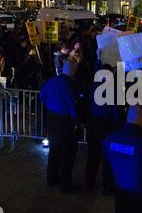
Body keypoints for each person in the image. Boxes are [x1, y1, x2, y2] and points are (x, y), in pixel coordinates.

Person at [40, 61, 82, 193]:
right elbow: (72, 107)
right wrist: (76, 122)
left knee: (54, 151)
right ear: (73, 71)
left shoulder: (51, 81)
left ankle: (51, 178)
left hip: (52, 119)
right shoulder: (69, 86)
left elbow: (42, 98)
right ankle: (65, 184)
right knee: (67, 155)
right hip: (65, 122)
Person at [85, 64, 125, 195]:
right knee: (108, 159)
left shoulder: (92, 87)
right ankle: (107, 187)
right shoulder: (114, 91)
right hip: (109, 128)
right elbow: (117, 114)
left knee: (92, 157)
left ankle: (89, 183)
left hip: (93, 126)